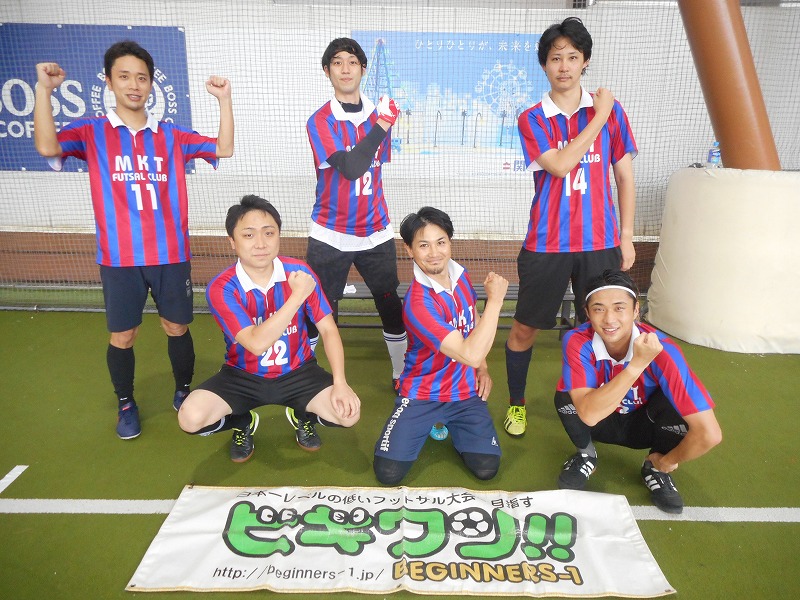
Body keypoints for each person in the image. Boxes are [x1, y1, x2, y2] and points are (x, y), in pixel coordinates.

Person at [33, 41, 234, 440]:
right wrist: (43, 91)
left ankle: (183, 390)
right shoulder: (92, 132)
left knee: (176, 327)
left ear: (151, 84)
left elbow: (223, 148)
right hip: (119, 259)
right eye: (124, 77)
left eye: (141, 77)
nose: (134, 85)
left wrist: (224, 100)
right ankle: (126, 403)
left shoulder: (171, 135)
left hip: (171, 255)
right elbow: (47, 146)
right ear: (109, 82)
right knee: (123, 335)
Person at [503, 17, 637, 437]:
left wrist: (627, 236)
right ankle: (517, 404)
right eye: (555, 58)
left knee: (603, 327)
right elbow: (560, 165)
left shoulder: (612, 113)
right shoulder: (533, 118)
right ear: (544, 65)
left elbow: (624, 177)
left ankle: (598, 403)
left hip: (600, 243)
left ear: (585, 62)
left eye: (572, 57)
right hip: (547, 244)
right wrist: (600, 115)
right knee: (524, 327)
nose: (564, 66)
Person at [177, 195, 360, 462]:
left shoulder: (299, 271)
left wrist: (340, 383)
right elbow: (255, 343)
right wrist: (297, 297)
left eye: (269, 233)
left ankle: (303, 415)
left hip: (299, 372)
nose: (261, 243)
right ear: (232, 241)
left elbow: (329, 330)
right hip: (242, 375)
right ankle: (242, 421)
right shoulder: (222, 287)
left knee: (349, 415)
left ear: (279, 236)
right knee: (190, 418)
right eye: (248, 235)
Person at [554, 269, 722, 513]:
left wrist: (667, 461)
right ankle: (586, 455)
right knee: (566, 395)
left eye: (619, 308)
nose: (609, 319)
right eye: (599, 309)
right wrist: (636, 365)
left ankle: (654, 470)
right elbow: (589, 415)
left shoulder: (664, 351)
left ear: (635, 310)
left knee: (677, 407)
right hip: (600, 422)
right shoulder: (577, 340)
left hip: (644, 426)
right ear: (587, 313)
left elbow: (709, 434)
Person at [373, 207, 508, 485]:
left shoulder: (460, 275)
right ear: (409, 250)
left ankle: (448, 422)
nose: (434, 253)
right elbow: (470, 354)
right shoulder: (418, 303)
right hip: (423, 393)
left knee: (487, 468)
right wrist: (495, 301)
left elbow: (473, 320)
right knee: (388, 473)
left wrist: (483, 369)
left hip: (464, 392)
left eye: (441, 242)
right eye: (424, 245)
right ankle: (429, 421)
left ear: (450, 242)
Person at [305, 37, 406, 392]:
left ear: (363, 69)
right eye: (337, 62)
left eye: (352, 62)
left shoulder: (378, 115)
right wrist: (382, 125)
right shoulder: (320, 120)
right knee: (319, 309)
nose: (345, 68)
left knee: (389, 302)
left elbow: (374, 167)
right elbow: (350, 168)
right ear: (327, 71)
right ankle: (307, 377)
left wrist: (381, 123)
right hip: (330, 233)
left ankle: (401, 373)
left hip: (376, 231)